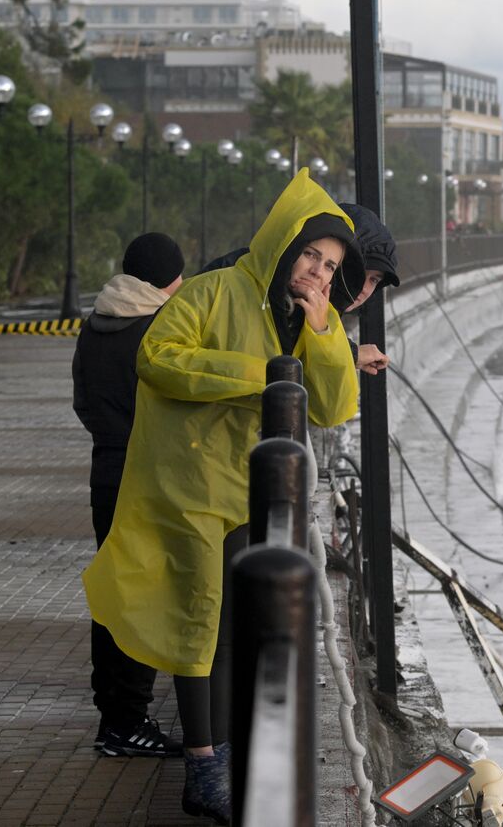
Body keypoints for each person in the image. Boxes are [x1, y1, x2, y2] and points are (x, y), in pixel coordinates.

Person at [82, 170, 366, 824]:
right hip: (190, 488)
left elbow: (335, 405)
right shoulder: (213, 292)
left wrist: (323, 333)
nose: (319, 272)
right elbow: (159, 356)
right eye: (312, 256)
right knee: (196, 628)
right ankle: (203, 763)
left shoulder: (300, 318)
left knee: (234, 627)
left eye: (330, 267)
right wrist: (260, 374)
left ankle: (227, 752)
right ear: (284, 243)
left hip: (248, 492)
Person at [72, 232, 185, 758]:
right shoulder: (157, 327)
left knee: (117, 592)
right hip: (144, 475)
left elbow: (83, 400)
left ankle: (115, 716)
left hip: (105, 472)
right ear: (168, 279)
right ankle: (126, 723)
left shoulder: (94, 324)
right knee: (143, 596)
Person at [198, 200, 400, 375]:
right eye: (357, 275)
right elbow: (273, 356)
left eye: (374, 280)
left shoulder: (312, 304)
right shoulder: (246, 285)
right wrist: (347, 354)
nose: (363, 289)